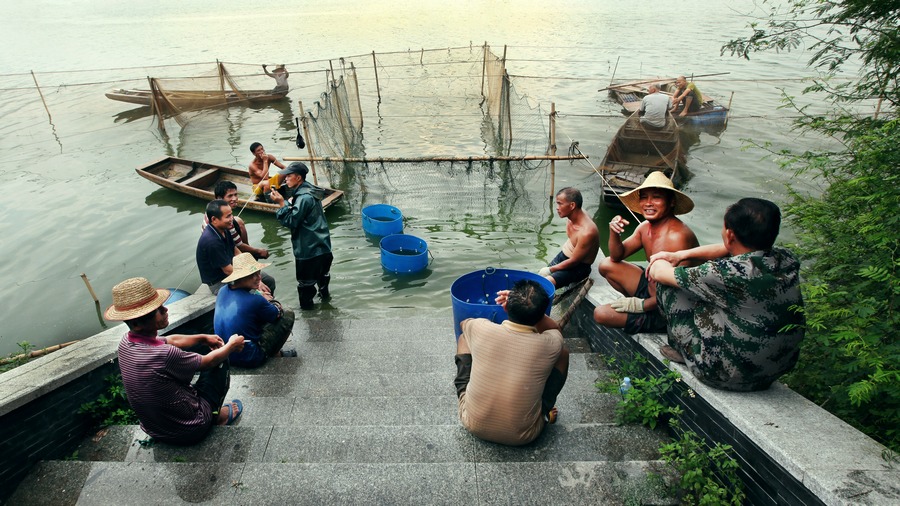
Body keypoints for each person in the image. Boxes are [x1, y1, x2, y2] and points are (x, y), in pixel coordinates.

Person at [648, 198, 805, 391]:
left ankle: (685, 350)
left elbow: (659, 273)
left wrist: (661, 259)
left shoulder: (725, 273)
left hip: (723, 375)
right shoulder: (787, 259)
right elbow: (726, 249)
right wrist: (681, 254)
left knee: (670, 287)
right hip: (773, 371)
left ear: (729, 234)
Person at [105, 277, 246, 445]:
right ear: (137, 324)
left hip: (156, 429)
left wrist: (202, 338)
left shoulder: (126, 343)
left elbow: (170, 339)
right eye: (158, 310)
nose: (165, 309)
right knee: (220, 360)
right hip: (191, 429)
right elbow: (207, 362)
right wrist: (231, 346)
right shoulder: (164, 355)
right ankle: (216, 416)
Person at [455, 279, 569, 446]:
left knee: (464, 337)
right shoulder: (550, 344)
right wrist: (536, 311)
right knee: (563, 354)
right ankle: (544, 411)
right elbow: (555, 330)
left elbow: (463, 324)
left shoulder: (481, 328)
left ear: (506, 307)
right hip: (523, 436)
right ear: (541, 315)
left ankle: (466, 392)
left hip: (472, 423)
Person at [594, 171, 699, 334]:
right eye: (644, 197)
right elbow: (616, 256)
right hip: (652, 288)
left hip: (669, 305)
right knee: (606, 264)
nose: (648, 203)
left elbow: (677, 293)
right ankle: (639, 304)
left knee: (601, 314)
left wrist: (641, 305)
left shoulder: (677, 237)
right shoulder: (645, 228)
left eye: (656, 197)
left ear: (671, 202)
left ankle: (660, 323)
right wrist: (614, 231)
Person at [214, 253, 297, 367]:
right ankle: (274, 353)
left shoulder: (222, 291)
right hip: (250, 358)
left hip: (224, 354)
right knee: (287, 313)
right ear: (240, 277)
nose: (259, 277)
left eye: (258, 273)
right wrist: (270, 301)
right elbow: (277, 313)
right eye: (253, 275)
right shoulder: (256, 300)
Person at [270, 162, 333, 310]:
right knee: (323, 277)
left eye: (288, 176)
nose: (285, 179)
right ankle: (326, 306)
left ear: (298, 178)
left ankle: (308, 317)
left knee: (305, 285)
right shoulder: (310, 191)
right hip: (323, 246)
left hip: (308, 250)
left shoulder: (304, 198)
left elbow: (291, 221)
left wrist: (281, 203)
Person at [196, 199, 273, 296]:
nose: (232, 218)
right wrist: (254, 281)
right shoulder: (212, 241)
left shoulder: (224, 229)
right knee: (257, 294)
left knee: (268, 281)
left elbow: (236, 251)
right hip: (220, 282)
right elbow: (228, 270)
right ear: (214, 219)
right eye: (228, 216)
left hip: (233, 273)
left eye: (231, 214)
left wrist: (255, 275)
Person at [539, 187, 600, 289]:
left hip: (578, 267)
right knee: (539, 278)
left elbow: (574, 261)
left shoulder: (587, 232)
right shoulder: (573, 216)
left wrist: (551, 269)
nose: (557, 208)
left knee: (545, 284)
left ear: (572, 205)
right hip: (564, 256)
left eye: (560, 203)